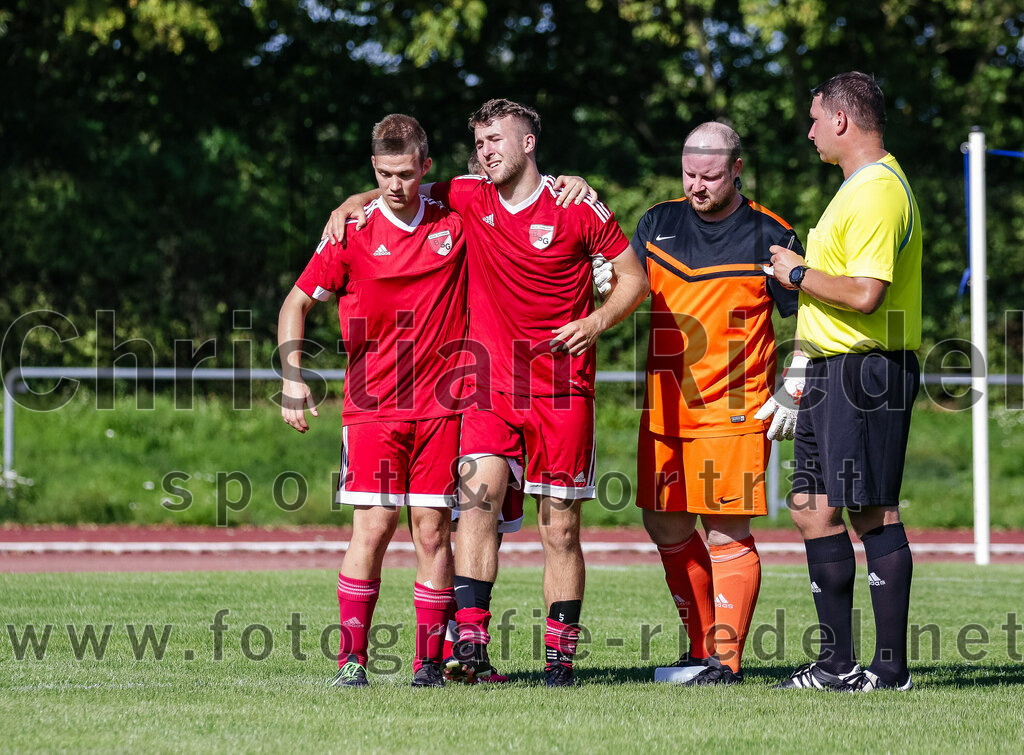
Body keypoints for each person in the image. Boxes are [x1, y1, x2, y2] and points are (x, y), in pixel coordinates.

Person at [324, 99, 649, 686]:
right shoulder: (469, 197)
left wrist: (597, 322)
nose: (484, 151)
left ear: (528, 143)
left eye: (495, 139)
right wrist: (351, 202)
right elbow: (401, 187)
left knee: (562, 528)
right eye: (478, 142)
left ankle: (559, 662)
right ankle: (469, 654)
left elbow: (633, 278)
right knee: (474, 510)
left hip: (562, 392)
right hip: (488, 389)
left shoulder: (576, 205)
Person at [278, 113, 467, 688]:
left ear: (425, 169)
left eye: (406, 174)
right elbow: (295, 303)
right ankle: (351, 660)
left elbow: (514, 188)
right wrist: (291, 378)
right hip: (373, 407)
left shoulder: (455, 221)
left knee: (432, 531)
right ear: (373, 170)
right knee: (374, 526)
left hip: (441, 407)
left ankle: (428, 663)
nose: (394, 185)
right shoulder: (351, 231)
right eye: (383, 174)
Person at [767, 71, 922, 692]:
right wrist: (800, 367)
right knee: (809, 508)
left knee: (869, 509)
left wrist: (797, 272)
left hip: (867, 372)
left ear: (840, 120)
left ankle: (889, 671)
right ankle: (836, 666)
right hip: (830, 369)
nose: (808, 132)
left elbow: (864, 294)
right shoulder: (852, 188)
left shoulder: (879, 191)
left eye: (813, 120)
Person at [632, 122, 801, 686]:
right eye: (688, 174)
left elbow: (810, 317)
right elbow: (623, 285)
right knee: (664, 524)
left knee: (726, 531)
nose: (697, 186)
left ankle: (724, 663)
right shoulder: (657, 221)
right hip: (663, 407)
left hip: (733, 406)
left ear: (736, 170)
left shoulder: (770, 233)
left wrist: (796, 379)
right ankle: (699, 650)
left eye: (709, 176)